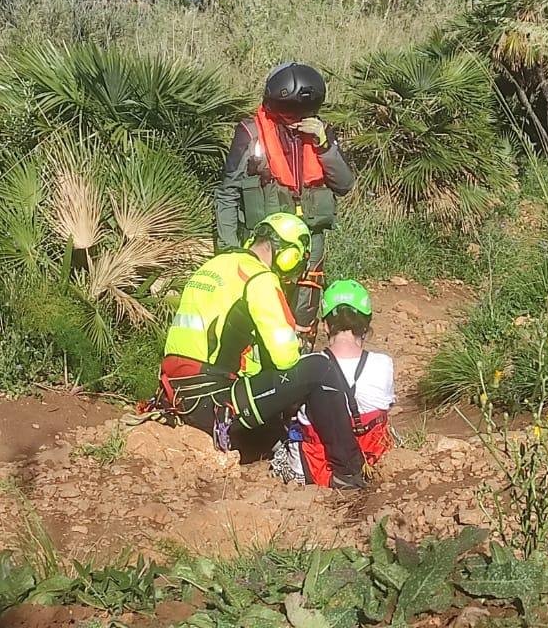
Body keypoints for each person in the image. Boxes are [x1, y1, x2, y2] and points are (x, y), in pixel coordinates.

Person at [157, 212, 368, 488]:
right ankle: (349, 472)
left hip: (178, 397)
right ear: (289, 255)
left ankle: (271, 442)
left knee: (271, 414)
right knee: (319, 367)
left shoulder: (215, 266)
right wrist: (291, 337)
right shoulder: (260, 279)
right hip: (213, 403)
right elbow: (285, 358)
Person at [214, 62, 356, 338]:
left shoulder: (321, 133)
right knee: (260, 316)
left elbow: (344, 184)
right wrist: (228, 250)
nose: (294, 117)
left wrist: (323, 144)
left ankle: (300, 357)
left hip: (309, 245)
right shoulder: (251, 133)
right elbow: (227, 193)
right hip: (264, 244)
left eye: (302, 111)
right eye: (289, 110)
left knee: (302, 320)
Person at [292, 280, 394, 488]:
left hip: (320, 469)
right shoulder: (384, 364)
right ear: (365, 326)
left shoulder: (307, 365)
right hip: (373, 458)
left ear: (325, 325)